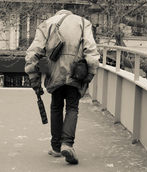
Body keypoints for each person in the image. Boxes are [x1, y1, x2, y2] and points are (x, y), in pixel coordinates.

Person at [25, 10, 100, 165]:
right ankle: (68, 144)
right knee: (72, 107)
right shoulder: (83, 22)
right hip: (76, 72)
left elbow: (33, 53)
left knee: (56, 106)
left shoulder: (46, 24)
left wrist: (34, 78)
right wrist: (90, 73)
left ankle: (56, 147)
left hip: (54, 73)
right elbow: (91, 50)